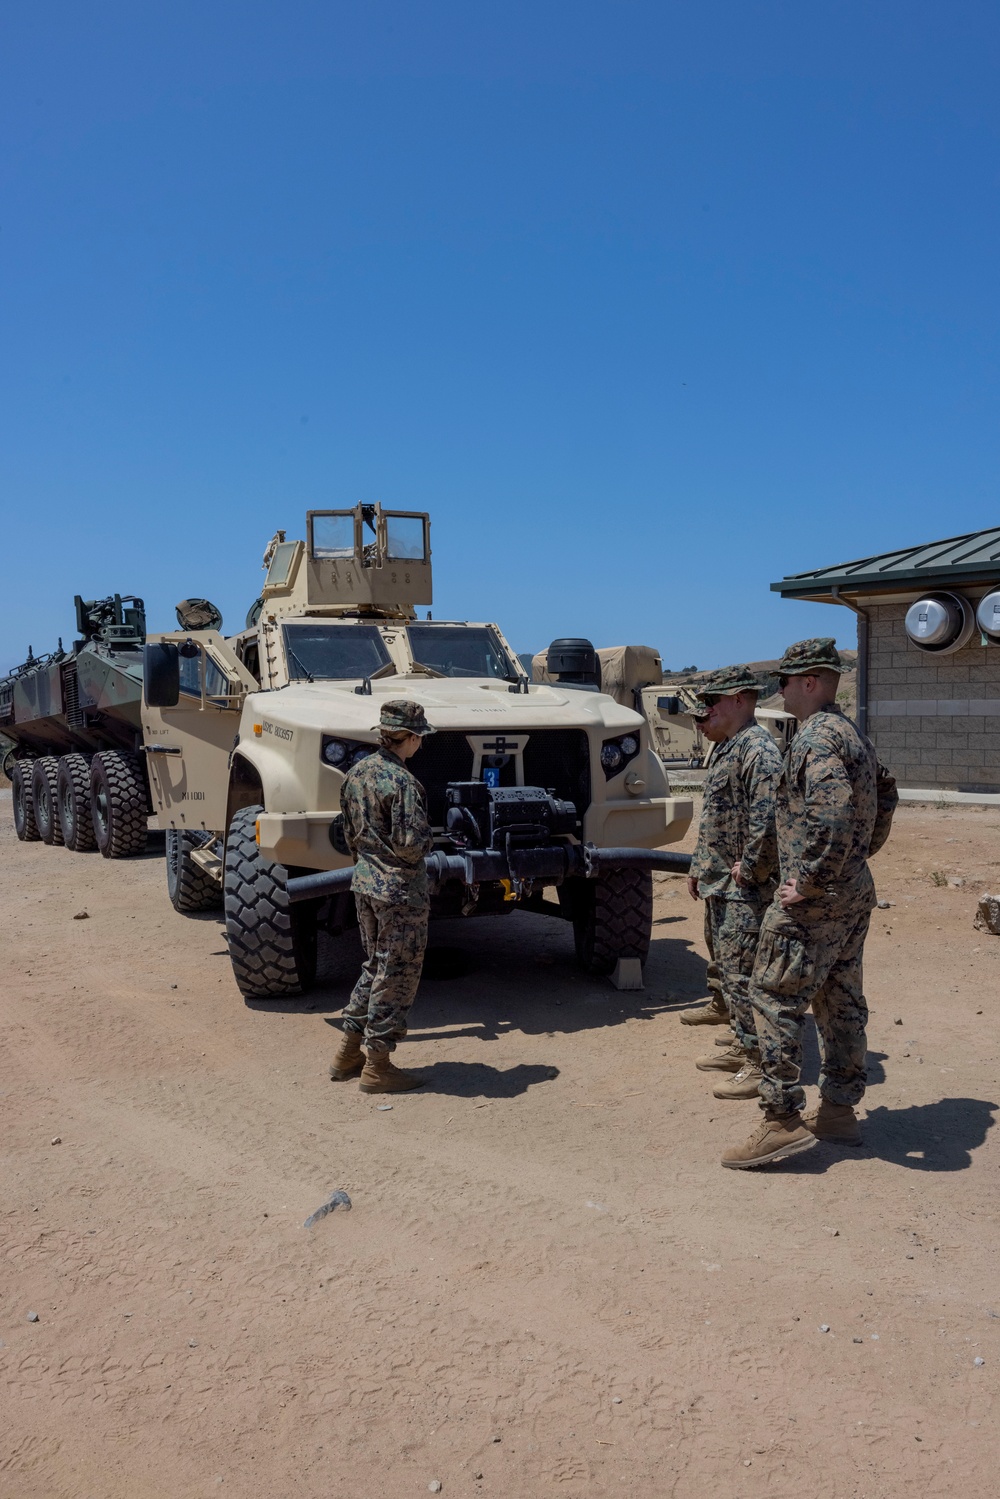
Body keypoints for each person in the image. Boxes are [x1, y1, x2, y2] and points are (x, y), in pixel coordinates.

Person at [721, 639, 897, 1169]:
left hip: (815, 900)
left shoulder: (817, 737)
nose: (779, 690)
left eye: (787, 681)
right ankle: (839, 1113)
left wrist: (814, 879)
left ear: (812, 683)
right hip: (853, 891)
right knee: (840, 998)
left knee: (772, 995)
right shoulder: (851, 734)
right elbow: (885, 796)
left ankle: (781, 1119)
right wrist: (855, 861)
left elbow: (834, 810)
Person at [328, 700, 436, 1094]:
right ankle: (378, 1066)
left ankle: (347, 1054)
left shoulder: (355, 774)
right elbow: (410, 845)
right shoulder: (403, 782)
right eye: (419, 736)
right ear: (407, 738)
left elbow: (348, 833)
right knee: (398, 974)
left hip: (365, 884)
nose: (420, 744)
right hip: (399, 891)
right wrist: (432, 841)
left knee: (375, 966)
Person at [686, 666, 782, 1101]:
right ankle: (744, 1046)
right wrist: (699, 866)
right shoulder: (731, 747)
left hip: (745, 887)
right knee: (729, 967)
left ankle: (759, 1065)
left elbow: (769, 820)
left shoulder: (757, 750)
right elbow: (718, 817)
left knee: (743, 976)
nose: (707, 711)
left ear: (742, 699)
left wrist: (754, 869)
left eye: (715, 702)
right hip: (720, 881)